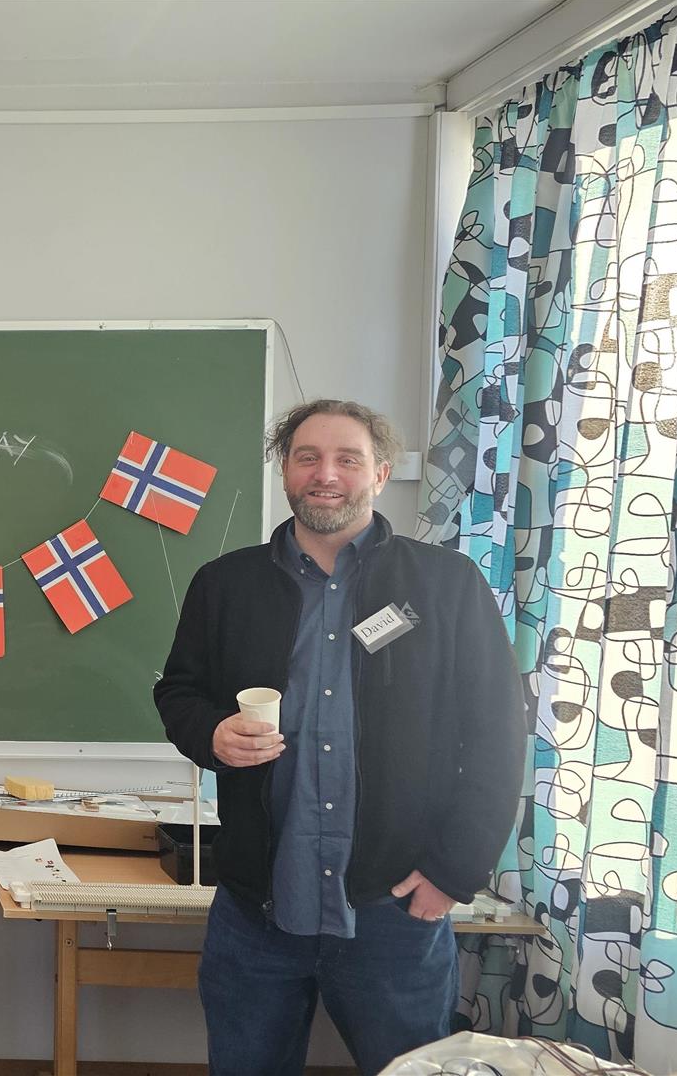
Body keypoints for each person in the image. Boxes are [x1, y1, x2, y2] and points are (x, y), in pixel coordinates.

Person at [154, 399, 526, 1075]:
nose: (326, 474)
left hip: (394, 909)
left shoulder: (446, 585)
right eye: (308, 458)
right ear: (285, 471)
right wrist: (211, 732)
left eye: (347, 459)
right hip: (257, 911)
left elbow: (497, 735)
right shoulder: (224, 585)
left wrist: (455, 871)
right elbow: (178, 692)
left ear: (380, 473)